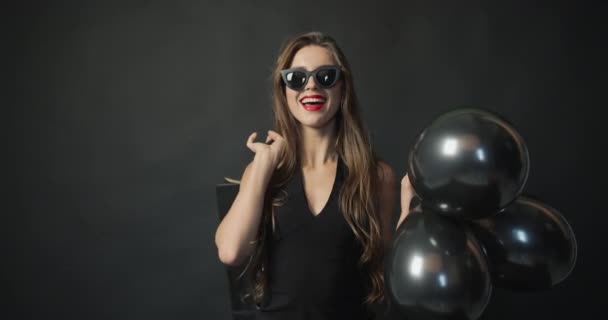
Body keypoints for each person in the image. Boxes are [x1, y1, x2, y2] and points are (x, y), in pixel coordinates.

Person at [214, 31, 414, 320]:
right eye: (297, 78)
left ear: (343, 88)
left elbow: (385, 274)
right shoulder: (264, 172)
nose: (311, 87)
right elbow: (231, 252)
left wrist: (408, 216)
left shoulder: (376, 175)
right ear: (283, 90)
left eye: (326, 76)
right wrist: (262, 165)